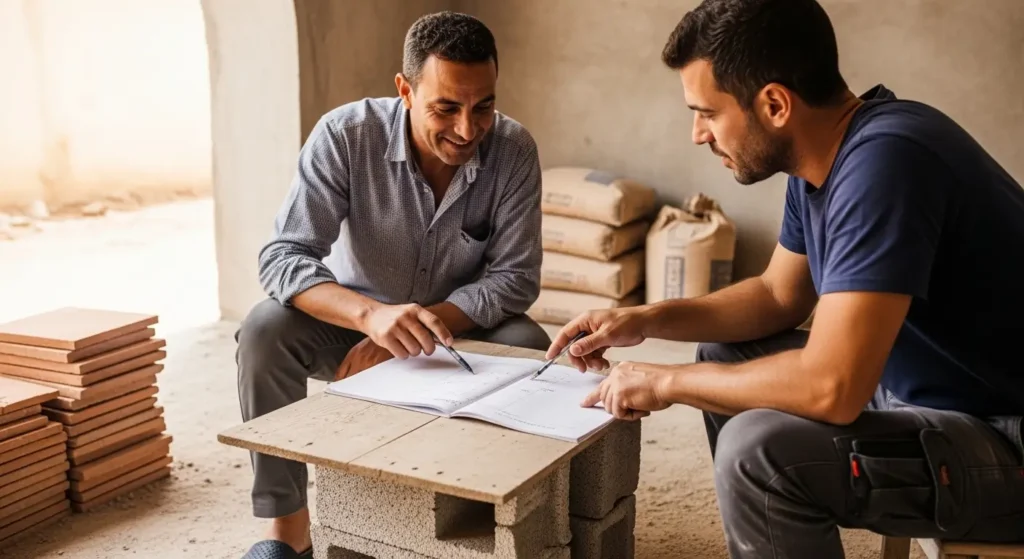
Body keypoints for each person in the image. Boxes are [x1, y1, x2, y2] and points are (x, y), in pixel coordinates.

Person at [547, 0, 1024, 557]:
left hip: (1004, 432)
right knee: (725, 353)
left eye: (707, 112)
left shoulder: (888, 163)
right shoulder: (827, 156)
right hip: (925, 393)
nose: (698, 133)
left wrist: (663, 383)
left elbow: (833, 387)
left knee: (760, 455)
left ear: (774, 103)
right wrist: (642, 321)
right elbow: (778, 296)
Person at [235, 11, 550, 559]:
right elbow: (284, 257)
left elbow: (515, 278)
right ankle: (287, 531)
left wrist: (413, 332)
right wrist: (371, 319)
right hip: (352, 328)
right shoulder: (344, 135)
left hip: (454, 334)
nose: (468, 129)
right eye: (446, 108)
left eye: (484, 106)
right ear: (405, 89)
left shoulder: (514, 149)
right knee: (264, 330)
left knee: (531, 348)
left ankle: (478, 510)